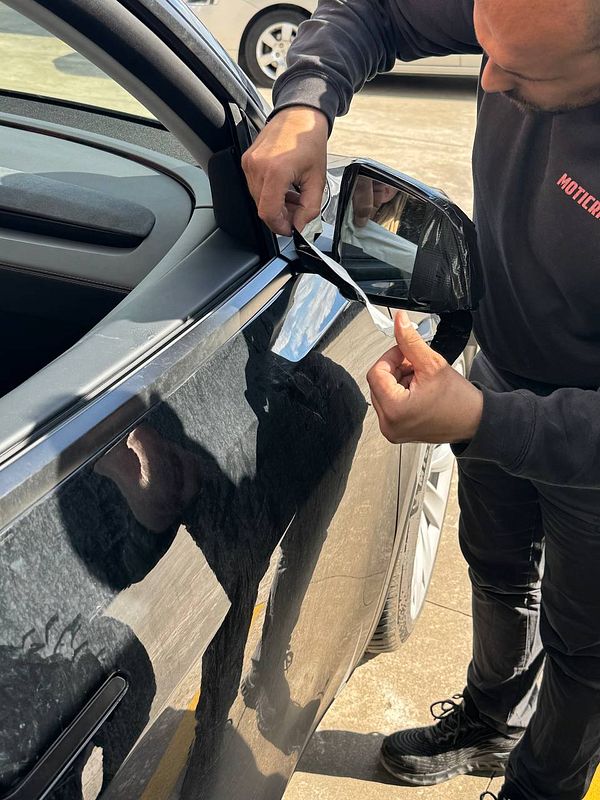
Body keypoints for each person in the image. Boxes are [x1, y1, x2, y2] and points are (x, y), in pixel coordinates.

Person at [241, 1, 600, 798]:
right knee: (500, 570)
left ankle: (539, 786)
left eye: (522, 73)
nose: (490, 78)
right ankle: (493, 718)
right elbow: (371, 11)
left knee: (585, 656)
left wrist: (479, 421)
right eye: (485, 48)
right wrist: (305, 102)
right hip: (499, 368)